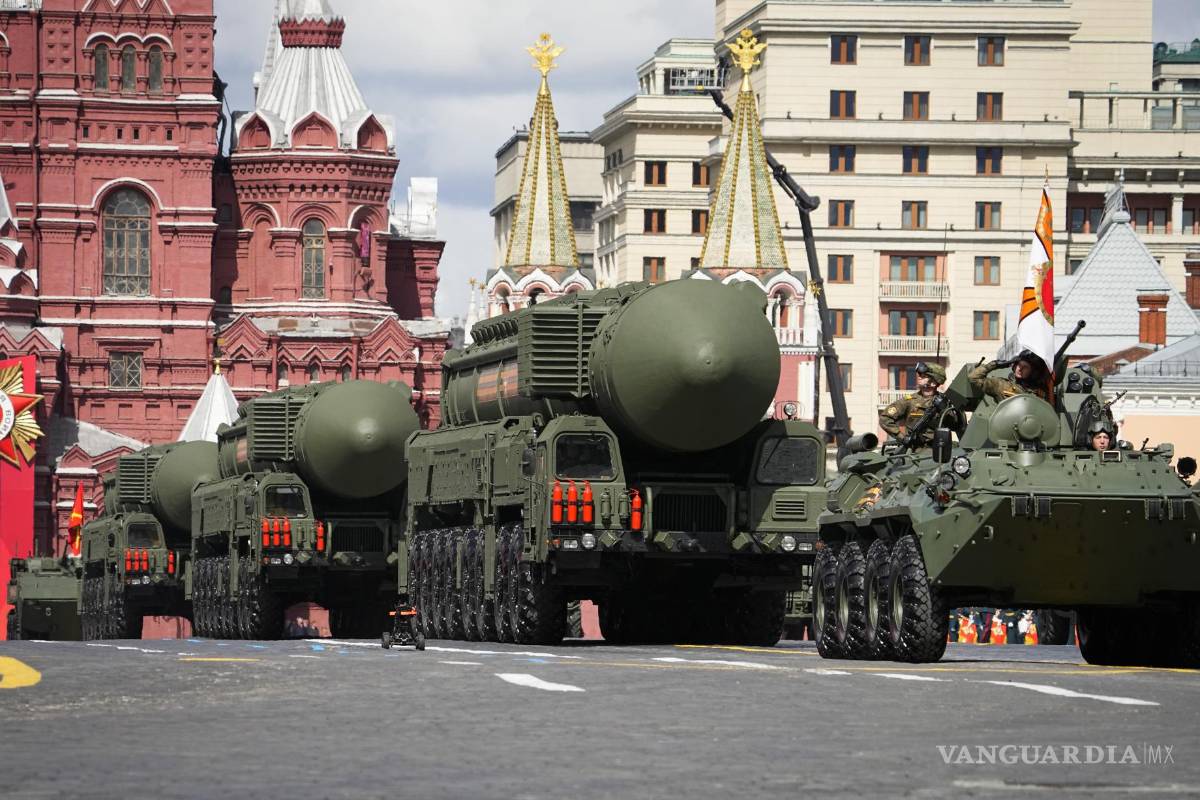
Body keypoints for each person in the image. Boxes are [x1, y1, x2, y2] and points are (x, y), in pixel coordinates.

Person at [879, 361, 947, 448]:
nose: (919, 377)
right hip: (914, 450)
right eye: (919, 375)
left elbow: (957, 425)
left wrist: (944, 409)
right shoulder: (910, 401)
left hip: (939, 450)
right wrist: (902, 437)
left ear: (934, 383)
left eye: (924, 376)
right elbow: (885, 418)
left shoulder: (945, 401)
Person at [968, 349, 1050, 402]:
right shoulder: (1001, 385)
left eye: (1025, 367)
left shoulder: (1039, 392)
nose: (1020, 369)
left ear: (1033, 373)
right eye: (1019, 365)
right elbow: (973, 378)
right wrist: (995, 364)